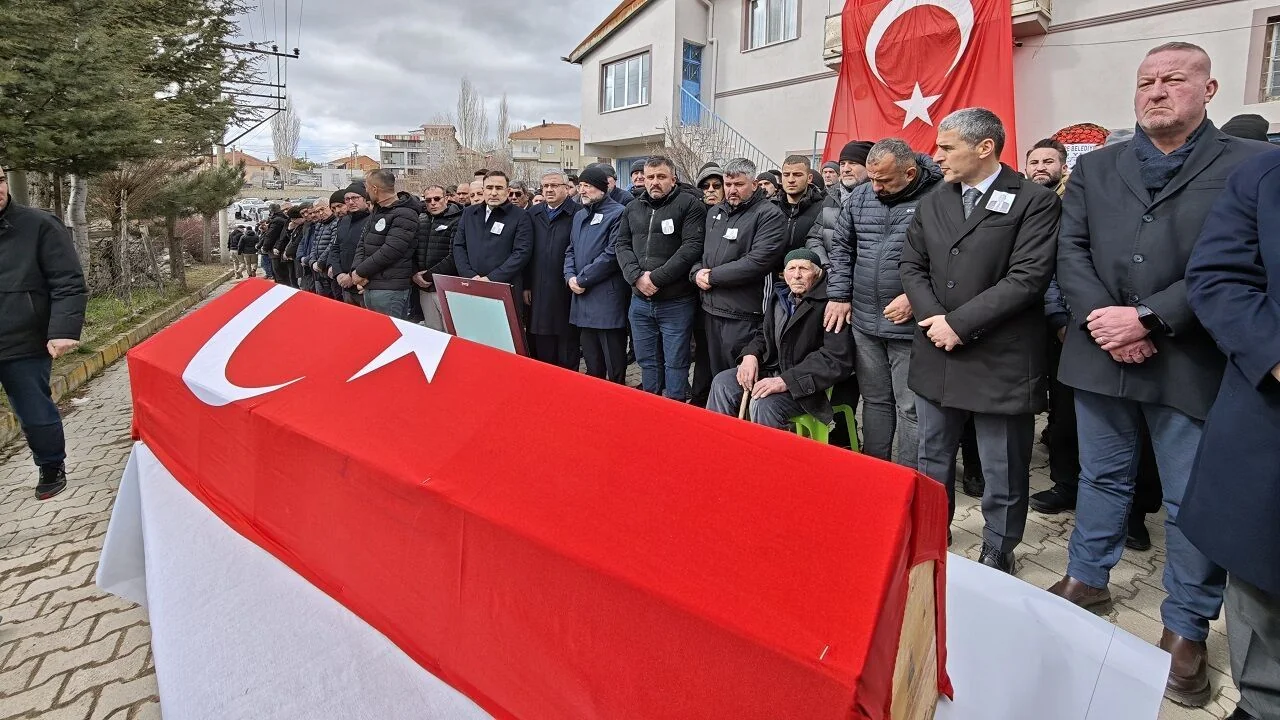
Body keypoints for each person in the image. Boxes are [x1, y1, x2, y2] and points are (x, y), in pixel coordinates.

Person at [1050, 43, 1276, 707]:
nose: (1156, 92)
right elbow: (1073, 250)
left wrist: (1149, 319)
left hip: (1192, 356)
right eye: (1146, 82)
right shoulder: (1098, 167)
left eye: (1173, 80)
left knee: (1188, 499)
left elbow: (1244, 267)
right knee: (1102, 476)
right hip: (1100, 353)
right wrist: (1105, 321)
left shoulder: (1254, 165)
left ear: (1208, 89)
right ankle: (1086, 577)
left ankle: (1185, 628)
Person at [899, 107, 1059, 573]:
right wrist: (933, 319)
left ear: (984, 147)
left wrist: (959, 324)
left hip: (999, 354)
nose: (937, 156)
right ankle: (933, 527)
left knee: (1001, 463)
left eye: (947, 148)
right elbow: (912, 265)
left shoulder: (1034, 201)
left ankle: (998, 545)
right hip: (937, 347)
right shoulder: (935, 199)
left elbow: (1027, 278)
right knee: (933, 453)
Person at [1184, 149, 1280, 720]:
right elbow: (1220, 275)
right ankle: (1264, 702)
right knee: (1262, 575)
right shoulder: (1265, 177)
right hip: (1270, 415)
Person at [832, 138, 943, 468]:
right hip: (866, 322)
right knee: (876, 401)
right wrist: (839, 295)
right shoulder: (862, 195)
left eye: (884, 180)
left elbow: (953, 261)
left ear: (909, 173)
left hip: (909, 328)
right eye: (872, 177)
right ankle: (875, 471)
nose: (875, 187)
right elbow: (841, 247)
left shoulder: (938, 198)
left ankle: (907, 477)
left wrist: (916, 297)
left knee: (910, 408)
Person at [0, 168, 87, 499]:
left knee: (34, 411)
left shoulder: (38, 225)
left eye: (0, 180)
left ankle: (51, 465)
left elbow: (66, 279)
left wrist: (63, 329)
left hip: (23, 338)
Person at [707, 249, 853, 430]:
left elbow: (835, 359)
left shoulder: (830, 306)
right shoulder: (780, 297)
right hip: (772, 372)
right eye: (791, 269)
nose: (797, 275)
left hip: (807, 387)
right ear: (784, 274)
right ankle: (719, 444)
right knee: (723, 383)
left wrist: (785, 381)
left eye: (804, 269)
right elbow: (763, 333)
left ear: (817, 273)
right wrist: (750, 355)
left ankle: (768, 456)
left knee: (764, 403)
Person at [615, 155, 705, 400]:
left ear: (673, 179)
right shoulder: (632, 208)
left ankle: (674, 407)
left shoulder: (689, 205)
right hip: (640, 302)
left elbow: (691, 247)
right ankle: (650, 405)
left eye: (661, 177)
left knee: (676, 362)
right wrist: (636, 277)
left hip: (676, 302)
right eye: (650, 177)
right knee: (647, 360)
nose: (655, 182)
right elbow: (621, 245)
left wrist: (655, 279)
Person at [690, 158, 786, 376]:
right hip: (711, 309)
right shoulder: (715, 213)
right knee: (718, 378)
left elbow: (757, 262)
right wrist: (696, 273)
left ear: (754, 184)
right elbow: (702, 254)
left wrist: (712, 277)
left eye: (739, 184)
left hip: (744, 314)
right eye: (728, 184)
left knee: (738, 380)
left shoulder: (768, 214)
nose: (732, 190)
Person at [565, 167, 630, 383]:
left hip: (606, 300)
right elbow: (570, 250)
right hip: (582, 298)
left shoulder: (619, 213)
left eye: (588, 186)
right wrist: (570, 277)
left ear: (602, 188)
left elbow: (612, 254)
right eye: (580, 185)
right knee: (592, 364)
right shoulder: (580, 215)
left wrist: (583, 279)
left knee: (614, 364)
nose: (582, 191)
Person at [453, 170, 534, 314]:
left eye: (499, 188)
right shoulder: (469, 213)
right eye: (489, 188)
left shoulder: (521, 216)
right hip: (471, 287)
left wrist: (491, 279)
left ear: (508, 191)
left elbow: (521, 253)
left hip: (504, 288)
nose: (493, 193)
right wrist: (470, 276)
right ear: (483, 190)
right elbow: (459, 246)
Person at [525, 171, 583, 369]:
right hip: (538, 289)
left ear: (566, 188)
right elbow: (525, 253)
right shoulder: (533, 214)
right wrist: (526, 285)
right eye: (545, 186)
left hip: (567, 288)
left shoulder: (579, 213)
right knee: (542, 341)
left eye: (554, 185)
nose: (549, 189)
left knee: (567, 342)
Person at [806, 140, 873, 295]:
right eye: (843, 163)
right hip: (832, 282)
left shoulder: (880, 198)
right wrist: (827, 267)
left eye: (853, 163)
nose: (846, 169)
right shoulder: (832, 197)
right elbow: (814, 238)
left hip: (865, 286)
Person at [350, 170, 419, 318]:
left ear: (375, 189)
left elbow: (391, 250)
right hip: (370, 286)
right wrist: (356, 270)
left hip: (391, 290)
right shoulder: (377, 211)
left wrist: (361, 272)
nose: (366, 191)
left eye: (367, 188)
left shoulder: (406, 213)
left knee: (393, 337)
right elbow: (363, 242)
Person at [411, 185, 464, 331]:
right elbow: (412, 250)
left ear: (446, 199)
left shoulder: (458, 220)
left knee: (452, 332)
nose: (432, 203)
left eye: (437, 199)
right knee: (432, 331)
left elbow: (454, 255)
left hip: (446, 287)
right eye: (428, 200)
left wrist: (428, 276)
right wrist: (414, 274)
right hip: (423, 287)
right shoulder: (420, 220)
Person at [329, 183, 374, 307]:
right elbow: (335, 248)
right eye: (347, 199)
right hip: (344, 284)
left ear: (365, 199)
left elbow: (370, 252)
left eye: (355, 198)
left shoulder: (372, 220)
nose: (351, 202)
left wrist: (352, 276)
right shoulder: (344, 221)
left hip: (363, 284)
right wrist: (338, 274)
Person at [774, 155, 826, 254]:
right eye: (786, 174)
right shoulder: (770, 208)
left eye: (797, 175)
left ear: (809, 178)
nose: (791, 180)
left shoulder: (823, 208)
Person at [311, 191, 345, 300]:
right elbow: (314, 244)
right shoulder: (319, 225)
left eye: (322, 209)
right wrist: (312, 261)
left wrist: (320, 262)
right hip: (319, 270)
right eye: (317, 211)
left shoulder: (336, 222)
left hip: (329, 268)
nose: (320, 213)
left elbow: (332, 245)